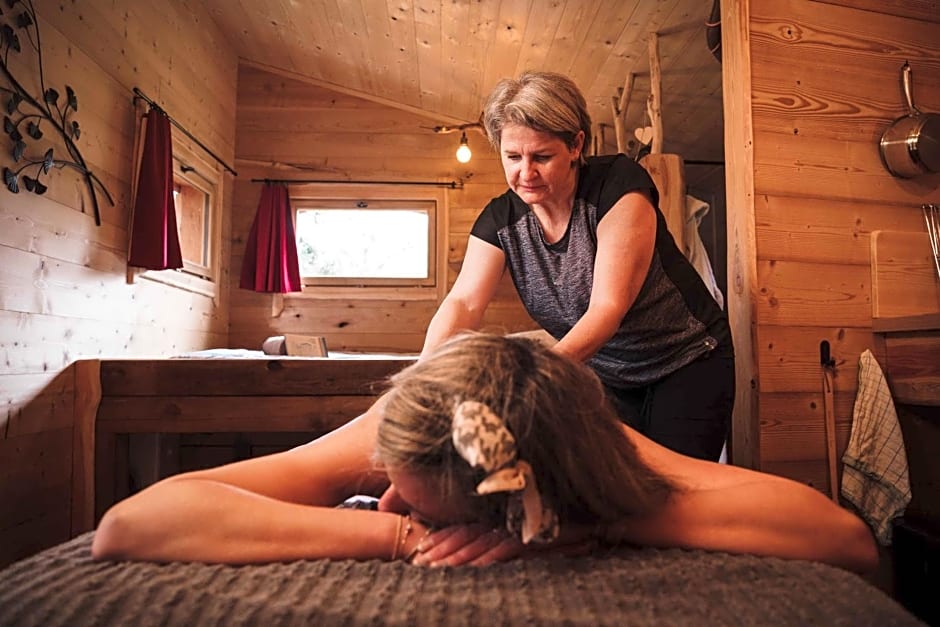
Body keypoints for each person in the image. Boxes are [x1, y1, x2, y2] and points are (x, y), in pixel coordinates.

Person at [91, 332, 877, 574]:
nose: (392, 498)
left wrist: (594, 523)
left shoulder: (597, 445)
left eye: (412, 503)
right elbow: (128, 525)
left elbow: (845, 538)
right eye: (392, 489)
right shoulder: (400, 423)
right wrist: (392, 533)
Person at [420, 70, 734, 462]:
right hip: (609, 375)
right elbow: (463, 304)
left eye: (542, 157)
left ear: (575, 145)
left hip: (687, 361)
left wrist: (531, 381)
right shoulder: (501, 221)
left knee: (671, 489)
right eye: (512, 157)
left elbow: (606, 309)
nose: (525, 173)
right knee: (608, 487)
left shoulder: (618, 186)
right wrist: (420, 379)